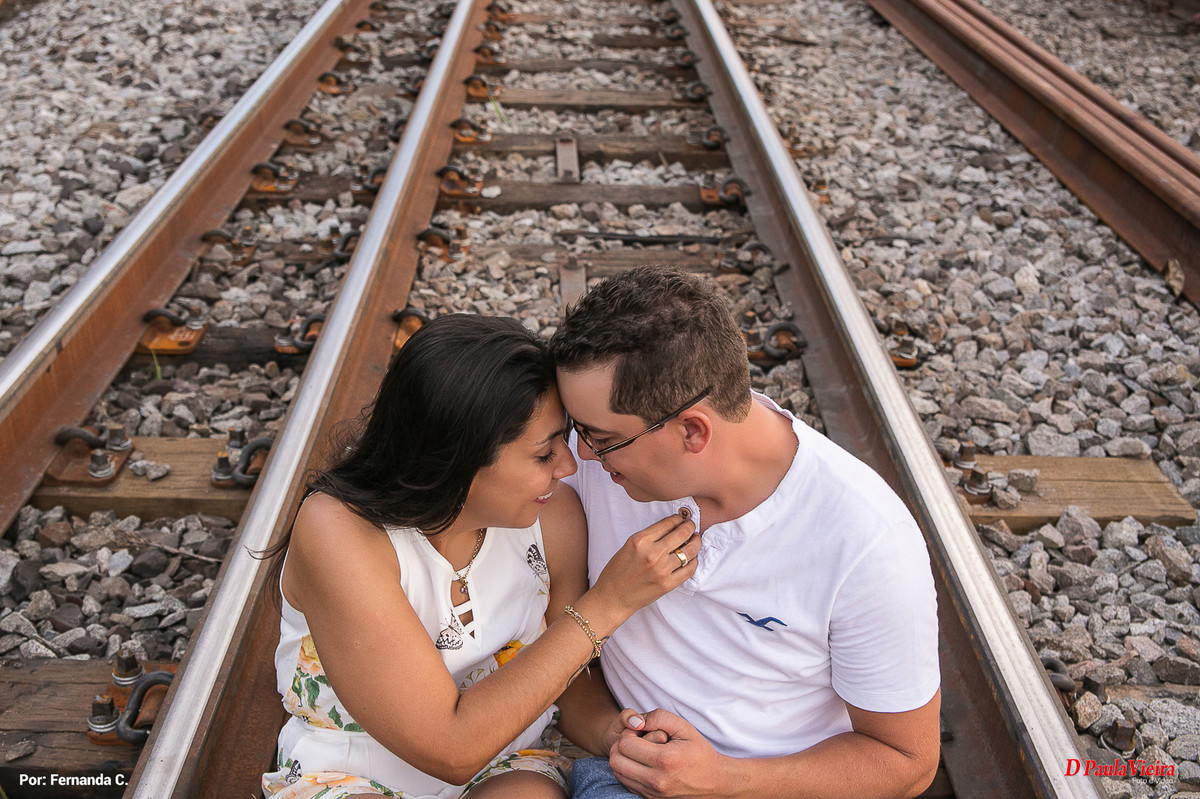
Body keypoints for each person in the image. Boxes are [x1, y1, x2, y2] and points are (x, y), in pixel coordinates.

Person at [261, 313, 701, 799]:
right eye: (543, 454)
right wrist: (610, 604)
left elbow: (562, 675)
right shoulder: (340, 531)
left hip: (504, 762)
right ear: (458, 458)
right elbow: (448, 748)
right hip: (350, 766)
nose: (568, 466)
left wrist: (611, 733)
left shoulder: (552, 519)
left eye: (564, 441)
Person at [549, 266, 941, 799]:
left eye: (601, 438)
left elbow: (907, 761)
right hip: (626, 775)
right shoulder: (599, 460)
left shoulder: (867, 539)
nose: (580, 458)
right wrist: (612, 734)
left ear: (692, 431)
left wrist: (722, 781)